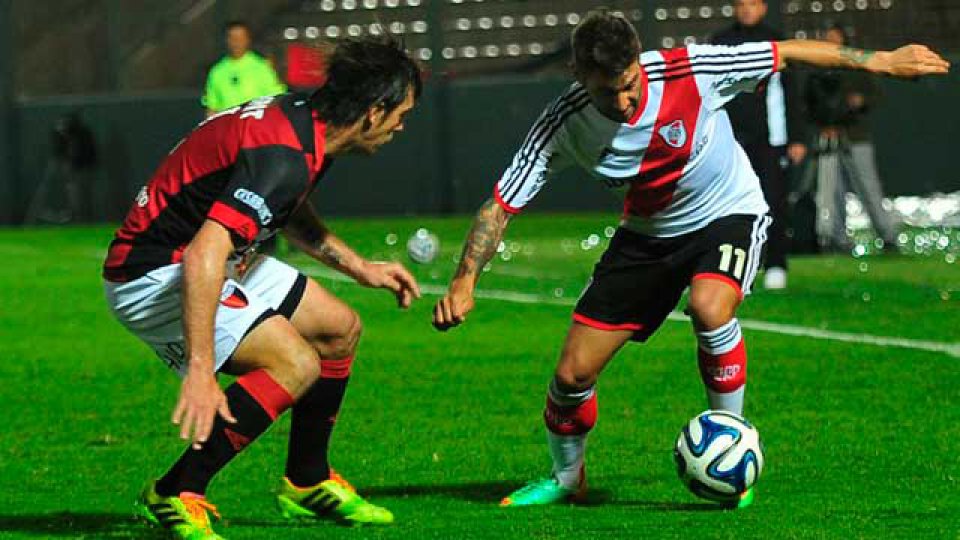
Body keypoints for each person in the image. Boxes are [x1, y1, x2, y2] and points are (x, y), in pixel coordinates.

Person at [432, 9, 948, 508]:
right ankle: (567, 479)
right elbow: (500, 206)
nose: (625, 99)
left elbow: (786, 52)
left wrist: (876, 59)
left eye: (630, 82)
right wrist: (463, 281)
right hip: (646, 238)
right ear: (578, 76)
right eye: (607, 90)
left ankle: (731, 448)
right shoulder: (563, 124)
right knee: (571, 377)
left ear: (639, 59)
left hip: (728, 211)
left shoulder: (691, 69)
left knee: (709, 307)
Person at [103, 37, 422, 539]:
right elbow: (204, 252)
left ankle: (307, 481)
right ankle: (174, 491)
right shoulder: (285, 153)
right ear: (372, 112)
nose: (402, 126)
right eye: (401, 114)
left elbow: (284, 206)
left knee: (338, 328)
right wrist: (203, 372)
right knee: (294, 364)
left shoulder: (308, 124)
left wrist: (360, 267)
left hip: (213, 257)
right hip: (155, 274)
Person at [711, 0, 808, 290]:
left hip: (771, 140)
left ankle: (776, 263)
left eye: (752, 3)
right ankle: (727, 268)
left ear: (763, 7)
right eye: (741, 4)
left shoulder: (777, 42)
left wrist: (797, 137)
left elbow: (791, 92)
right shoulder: (721, 43)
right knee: (725, 206)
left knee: (773, 202)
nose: (746, 9)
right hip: (730, 140)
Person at [800, 24, 899, 251]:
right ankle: (836, 238)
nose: (832, 41)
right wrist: (822, 124)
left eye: (836, 38)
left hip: (855, 136)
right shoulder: (817, 69)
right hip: (827, 136)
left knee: (868, 187)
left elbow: (875, 95)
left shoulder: (857, 64)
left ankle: (887, 236)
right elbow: (807, 104)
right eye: (828, 38)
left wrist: (860, 100)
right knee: (832, 191)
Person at [25, 112, 98, 224]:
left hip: (83, 169)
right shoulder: (66, 138)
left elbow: (85, 154)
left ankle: (82, 218)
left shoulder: (82, 136)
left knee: (82, 196)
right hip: (74, 171)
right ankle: (74, 216)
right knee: (74, 194)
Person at [202, 21, 287, 116]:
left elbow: (275, 99)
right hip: (228, 127)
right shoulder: (217, 71)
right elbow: (212, 107)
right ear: (226, 40)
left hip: (254, 127)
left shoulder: (262, 67)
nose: (236, 42)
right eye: (233, 38)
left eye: (240, 38)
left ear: (247, 40)